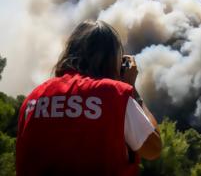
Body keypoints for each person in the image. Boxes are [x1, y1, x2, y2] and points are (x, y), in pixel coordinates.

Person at [16, 20, 162, 176]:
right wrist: (132, 89)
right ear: (113, 60)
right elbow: (153, 149)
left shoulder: (33, 98)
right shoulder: (114, 95)